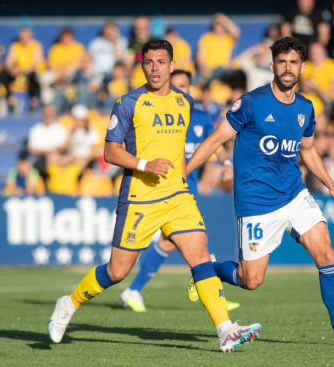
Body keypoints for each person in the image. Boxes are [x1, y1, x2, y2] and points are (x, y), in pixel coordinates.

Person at [47, 39, 261, 352]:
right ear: (142, 66)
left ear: (172, 66)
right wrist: (146, 164)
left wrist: (216, 162)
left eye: (161, 62)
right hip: (139, 198)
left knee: (200, 256)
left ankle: (225, 329)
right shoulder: (129, 102)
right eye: (149, 62)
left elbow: (201, 139)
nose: (155, 68)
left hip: (177, 196)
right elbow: (110, 151)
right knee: (117, 272)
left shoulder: (185, 103)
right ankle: (69, 302)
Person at [184, 37, 334, 347]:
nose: (287, 68)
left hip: (294, 193)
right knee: (250, 281)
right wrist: (184, 172)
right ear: (272, 66)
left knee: (326, 252)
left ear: (302, 68)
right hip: (256, 203)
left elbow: (307, 151)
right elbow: (216, 140)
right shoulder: (251, 103)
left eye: (293, 62)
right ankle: (209, 267)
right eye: (281, 62)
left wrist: (332, 185)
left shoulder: (306, 108)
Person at [120, 69, 237, 312]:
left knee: (177, 244)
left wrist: (226, 163)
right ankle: (135, 290)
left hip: (187, 191)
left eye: (185, 85)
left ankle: (135, 290)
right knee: (183, 246)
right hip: (163, 190)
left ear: (191, 89)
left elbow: (215, 144)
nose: (182, 89)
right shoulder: (160, 116)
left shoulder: (202, 118)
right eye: (177, 85)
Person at [40, 27, 85, 108]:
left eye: (68, 37)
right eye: (64, 37)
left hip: (72, 74)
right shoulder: (56, 48)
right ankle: (47, 104)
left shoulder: (78, 48)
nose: (66, 39)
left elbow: (83, 63)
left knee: (72, 71)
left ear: (72, 37)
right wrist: (59, 73)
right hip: (57, 73)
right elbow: (51, 64)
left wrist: (67, 69)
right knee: (44, 78)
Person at [1, 26, 44, 111]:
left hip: (32, 73)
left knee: (34, 76)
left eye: (26, 36)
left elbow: (36, 64)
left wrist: (21, 69)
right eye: (22, 37)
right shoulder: (15, 46)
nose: (24, 39)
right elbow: (8, 63)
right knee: (3, 74)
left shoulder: (36, 45)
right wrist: (12, 69)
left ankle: (33, 100)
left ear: (30, 36)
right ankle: (11, 98)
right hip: (19, 73)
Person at [196, 13, 241, 83]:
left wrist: (223, 18)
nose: (219, 26)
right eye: (217, 23)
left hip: (224, 71)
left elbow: (236, 32)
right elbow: (200, 57)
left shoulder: (229, 38)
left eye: (221, 24)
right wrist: (204, 68)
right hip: (209, 71)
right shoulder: (206, 38)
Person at [27, 105, 67, 179]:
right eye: (46, 115)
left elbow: (60, 148)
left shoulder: (60, 129)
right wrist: (48, 152)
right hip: (38, 158)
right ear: (42, 115)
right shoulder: (35, 129)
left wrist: (48, 153)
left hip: (55, 158)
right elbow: (32, 149)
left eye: (51, 115)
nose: (48, 117)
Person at [300, 42, 334, 115]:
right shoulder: (306, 66)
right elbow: (305, 88)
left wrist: (316, 87)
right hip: (312, 98)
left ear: (323, 52)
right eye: (312, 52)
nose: (313, 55)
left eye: (316, 52)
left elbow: (332, 93)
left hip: (329, 101)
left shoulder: (332, 65)